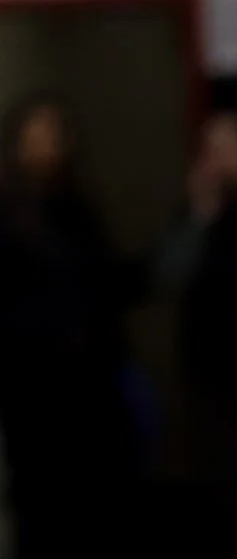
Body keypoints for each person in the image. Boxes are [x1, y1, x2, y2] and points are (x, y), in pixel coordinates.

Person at [0, 95, 140, 559]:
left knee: (97, 514)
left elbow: (107, 285)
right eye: (36, 135)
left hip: (91, 395)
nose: (47, 146)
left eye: (54, 135)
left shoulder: (80, 211)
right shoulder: (0, 219)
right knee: (41, 517)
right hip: (32, 401)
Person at [155, 103, 237, 543]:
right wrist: (199, 217)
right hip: (210, 373)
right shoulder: (199, 214)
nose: (217, 158)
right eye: (210, 148)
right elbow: (168, 273)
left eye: (226, 146)